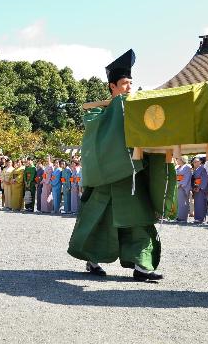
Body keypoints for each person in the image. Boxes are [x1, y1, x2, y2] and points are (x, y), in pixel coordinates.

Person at [68, 49, 162, 282]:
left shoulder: (136, 108)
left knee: (139, 218)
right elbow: (98, 136)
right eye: (124, 83)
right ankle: (93, 259)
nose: (129, 87)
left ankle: (142, 265)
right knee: (101, 220)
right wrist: (119, 106)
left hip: (133, 175)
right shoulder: (98, 112)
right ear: (112, 86)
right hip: (108, 177)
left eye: (131, 83)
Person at [192, 156, 208, 223]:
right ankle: (197, 218)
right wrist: (194, 187)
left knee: (201, 203)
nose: (195, 163)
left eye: (197, 162)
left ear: (200, 162)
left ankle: (201, 218)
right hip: (196, 188)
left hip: (201, 189)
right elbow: (193, 180)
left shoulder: (202, 169)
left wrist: (200, 187)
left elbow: (204, 179)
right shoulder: (195, 170)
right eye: (194, 162)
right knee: (197, 203)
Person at [175, 156, 192, 223]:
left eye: (178, 159)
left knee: (183, 202)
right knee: (179, 202)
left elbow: (187, 177)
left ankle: (183, 218)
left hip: (183, 187)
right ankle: (179, 216)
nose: (177, 160)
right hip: (178, 185)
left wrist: (181, 184)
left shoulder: (187, 167)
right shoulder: (179, 167)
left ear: (182, 160)